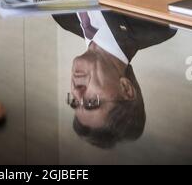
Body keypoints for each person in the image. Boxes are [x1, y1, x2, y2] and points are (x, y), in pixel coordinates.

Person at [54, 11, 176, 149]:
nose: (76, 91)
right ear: (126, 88)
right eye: (91, 102)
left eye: (74, 102)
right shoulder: (159, 24)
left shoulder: (62, 18)